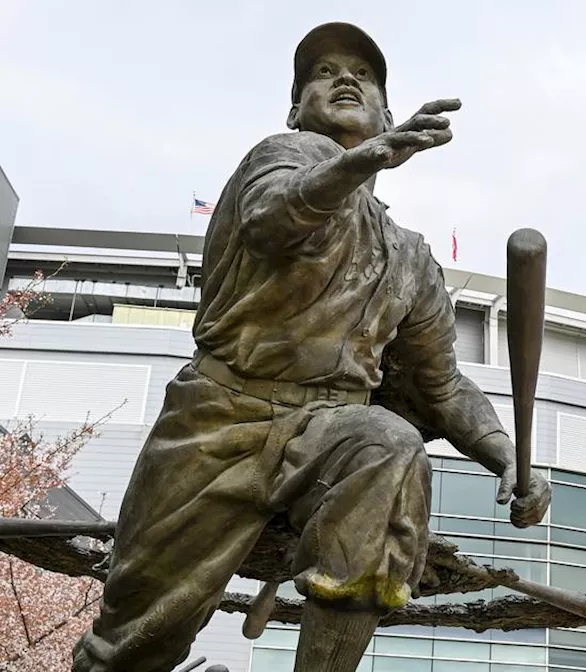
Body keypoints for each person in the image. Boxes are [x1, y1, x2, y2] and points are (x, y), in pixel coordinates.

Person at [72, 22, 551, 672]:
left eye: (363, 74)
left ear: (385, 109)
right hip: (219, 420)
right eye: (323, 73)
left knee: (392, 445)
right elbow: (275, 220)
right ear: (297, 109)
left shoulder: (410, 258)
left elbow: (443, 388)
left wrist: (508, 459)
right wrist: (363, 160)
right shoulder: (277, 160)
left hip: (328, 431)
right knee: (129, 647)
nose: (345, 78)